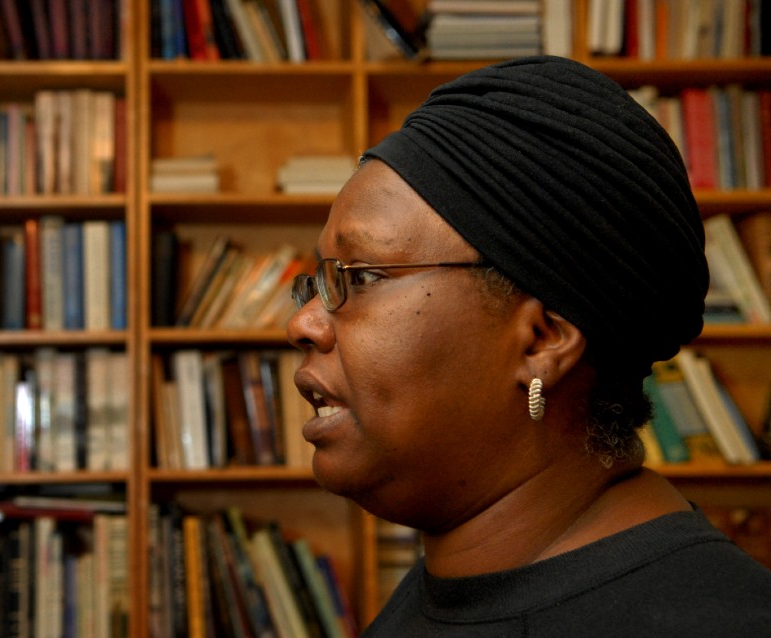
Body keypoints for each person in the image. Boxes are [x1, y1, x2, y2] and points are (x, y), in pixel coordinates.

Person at [286, 55, 771, 636]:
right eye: (319, 280)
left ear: (542, 340)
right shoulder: (450, 585)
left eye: (360, 277)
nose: (305, 323)